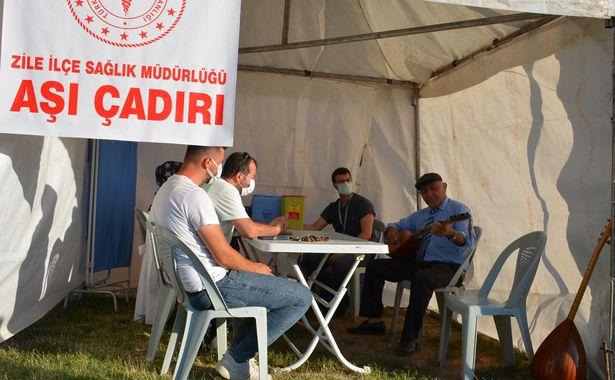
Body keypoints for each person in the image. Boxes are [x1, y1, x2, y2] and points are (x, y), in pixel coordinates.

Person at [150, 145, 312, 379]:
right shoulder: (194, 196)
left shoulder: (168, 188)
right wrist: (256, 267)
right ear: (208, 163)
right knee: (301, 297)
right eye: (219, 162)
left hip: (190, 285)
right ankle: (237, 359)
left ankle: (237, 360)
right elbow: (224, 256)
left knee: (265, 288)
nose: (220, 169)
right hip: (210, 287)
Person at [347, 173, 475, 357]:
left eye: (434, 188)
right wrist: (391, 231)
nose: (430, 194)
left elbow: (469, 242)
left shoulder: (459, 210)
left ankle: (409, 338)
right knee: (375, 266)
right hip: (420, 263)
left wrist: (450, 234)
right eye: (425, 191)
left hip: (448, 267)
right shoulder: (421, 215)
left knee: (421, 278)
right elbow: (396, 224)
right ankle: (374, 321)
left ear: (444, 187)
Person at [302, 167, 376, 311]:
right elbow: (315, 227)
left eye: (348, 180)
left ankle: (338, 302)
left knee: (340, 264)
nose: (346, 183)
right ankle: (326, 300)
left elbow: (366, 234)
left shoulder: (363, 204)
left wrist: (345, 252)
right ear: (334, 185)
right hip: (339, 249)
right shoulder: (333, 207)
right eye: (341, 181)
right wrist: (292, 224)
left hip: (361, 251)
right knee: (310, 259)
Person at [203, 151, 286, 243]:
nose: (250, 183)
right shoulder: (227, 190)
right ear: (239, 176)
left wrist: (268, 226)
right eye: (251, 177)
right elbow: (249, 230)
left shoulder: (214, 184)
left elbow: (243, 222)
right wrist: (276, 229)